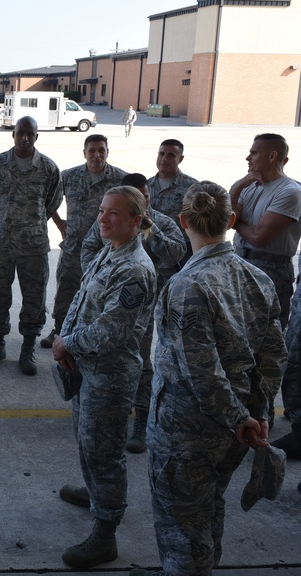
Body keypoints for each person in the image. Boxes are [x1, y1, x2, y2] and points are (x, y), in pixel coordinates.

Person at [132, 181, 286, 576]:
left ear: (183, 221)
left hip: (188, 433)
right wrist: (259, 412)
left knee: (183, 527)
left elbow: (200, 370)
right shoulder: (258, 279)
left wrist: (240, 418)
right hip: (235, 431)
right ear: (232, 221)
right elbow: (272, 356)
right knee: (209, 508)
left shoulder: (186, 285)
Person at [52, 186, 157, 570]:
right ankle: (96, 494)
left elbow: (111, 330)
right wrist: (67, 342)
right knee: (87, 440)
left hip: (109, 375)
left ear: (136, 220)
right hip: (86, 366)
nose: (103, 219)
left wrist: (67, 345)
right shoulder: (109, 251)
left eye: (113, 214)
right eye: (101, 211)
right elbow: (80, 302)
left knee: (105, 453)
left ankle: (105, 532)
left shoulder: (134, 269)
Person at [80, 173, 186, 454]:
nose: (144, 202)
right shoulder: (109, 219)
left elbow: (175, 254)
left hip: (152, 303)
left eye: (146, 197)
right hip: (111, 301)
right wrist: (100, 280)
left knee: (142, 362)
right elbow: (89, 247)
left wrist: (148, 226)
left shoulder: (160, 223)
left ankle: (140, 420)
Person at [0, 116, 63, 375]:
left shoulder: (48, 168)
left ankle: (27, 348)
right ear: (13, 135)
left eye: (30, 133)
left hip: (34, 246)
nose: (25, 138)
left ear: (36, 136)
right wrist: (6, 222)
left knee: (34, 299)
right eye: (20, 133)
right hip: (0, 244)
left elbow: (53, 201)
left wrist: (31, 222)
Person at [43, 135, 128, 351]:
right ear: (84, 153)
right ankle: (60, 330)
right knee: (65, 291)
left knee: (100, 295)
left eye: (101, 150)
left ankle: (90, 336)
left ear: (108, 152)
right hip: (73, 248)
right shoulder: (69, 176)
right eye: (92, 150)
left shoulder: (120, 179)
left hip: (107, 251)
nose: (97, 155)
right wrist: (59, 222)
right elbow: (46, 198)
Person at [229, 133, 300, 329]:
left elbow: (259, 237)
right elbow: (226, 221)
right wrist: (237, 187)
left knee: (268, 335)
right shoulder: (249, 186)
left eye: (253, 153)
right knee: (237, 331)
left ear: (272, 156)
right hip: (240, 263)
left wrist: (237, 223)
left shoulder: (289, 191)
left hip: (270, 270)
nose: (248, 158)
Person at [148, 139, 200, 267]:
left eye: (171, 155)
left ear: (180, 159)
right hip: (150, 251)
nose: (164, 159)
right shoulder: (147, 185)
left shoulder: (192, 187)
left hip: (179, 254)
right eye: (161, 154)